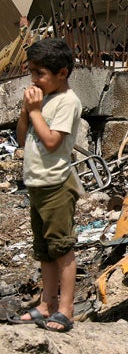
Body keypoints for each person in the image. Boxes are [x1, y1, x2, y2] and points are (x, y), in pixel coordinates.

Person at [13, 37, 82, 332]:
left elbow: (53, 142)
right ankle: (46, 304)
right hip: (38, 186)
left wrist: (36, 111)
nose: (34, 79)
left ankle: (66, 309)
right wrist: (26, 110)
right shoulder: (42, 100)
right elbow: (20, 137)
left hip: (56, 185)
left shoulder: (68, 101)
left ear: (62, 73)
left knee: (61, 248)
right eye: (31, 72)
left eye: (40, 73)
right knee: (44, 250)